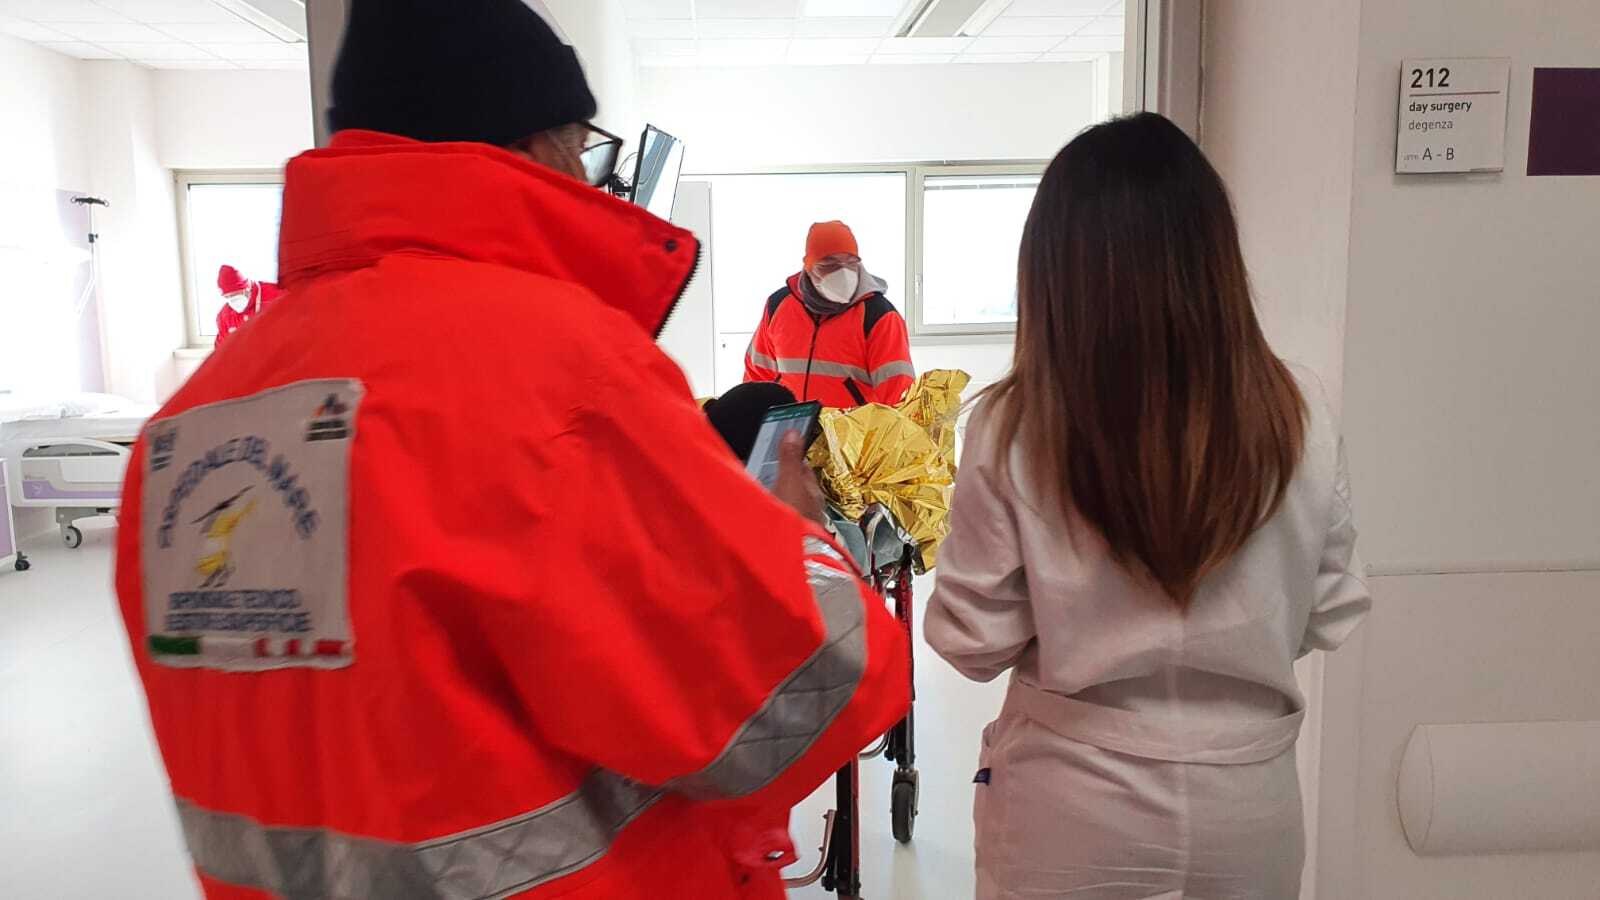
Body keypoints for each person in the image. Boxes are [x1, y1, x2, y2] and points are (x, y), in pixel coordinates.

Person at [113, 2, 909, 898]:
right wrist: (800, 537)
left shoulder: (179, 438)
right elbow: (806, 693)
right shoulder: (560, 377)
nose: (591, 180)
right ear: (534, 147)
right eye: (585, 152)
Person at [925, 113, 1372, 899]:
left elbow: (971, 640)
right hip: (1249, 807)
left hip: (1071, 806)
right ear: (1213, 258)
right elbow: (1331, 611)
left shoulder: (1014, 423)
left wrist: (1077, 614)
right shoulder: (1298, 410)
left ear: (1053, 273)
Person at [744, 220, 915, 407]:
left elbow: (900, 398)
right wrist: (753, 417)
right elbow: (757, 377)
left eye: (851, 263)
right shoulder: (778, 306)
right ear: (809, 267)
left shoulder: (879, 316)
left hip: (854, 426)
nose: (843, 274)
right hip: (793, 425)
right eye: (829, 264)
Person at [213, 264, 282, 349]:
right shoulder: (225, 317)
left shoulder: (275, 295)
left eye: (235, 295)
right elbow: (221, 349)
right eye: (227, 297)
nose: (232, 300)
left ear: (247, 288)